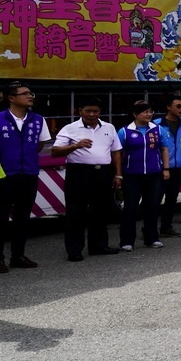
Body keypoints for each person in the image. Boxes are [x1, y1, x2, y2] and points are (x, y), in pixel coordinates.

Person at [52, 97, 123, 261]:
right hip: (79, 173)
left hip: (103, 172)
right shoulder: (70, 129)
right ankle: (74, 250)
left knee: (100, 211)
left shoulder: (109, 127)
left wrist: (118, 174)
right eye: (88, 111)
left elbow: (116, 152)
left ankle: (98, 246)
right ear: (79, 111)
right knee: (76, 212)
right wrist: (75, 146)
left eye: (95, 111)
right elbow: (55, 151)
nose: (91, 114)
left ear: (100, 112)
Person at [0, 81, 52, 272]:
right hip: (3, 176)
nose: (30, 96)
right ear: (11, 98)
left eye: (31, 93)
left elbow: (39, 144)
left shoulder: (38, 119)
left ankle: (18, 256)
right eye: (25, 93)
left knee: (22, 218)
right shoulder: (0, 119)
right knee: (1, 218)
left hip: (28, 174)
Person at [116, 100, 169, 251]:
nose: (148, 114)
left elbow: (164, 149)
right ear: (135, 114)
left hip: (153, 174)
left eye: (150, 111)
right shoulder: (124, 131)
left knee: (152, 206)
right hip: (132, 175)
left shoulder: (157, 130)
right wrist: (119, 174)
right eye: (145, 112)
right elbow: (118, 154)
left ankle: (151, 238)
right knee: (130, 208)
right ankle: (127, 241)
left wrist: (166, 168)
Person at [154, 95, 181, 237]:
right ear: (168, 107)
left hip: (178, 166)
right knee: (155, 199)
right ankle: (148, 229)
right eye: (178, 106)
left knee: (171, 199)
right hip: (160, 168)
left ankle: (166, 227)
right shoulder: (157, 124)